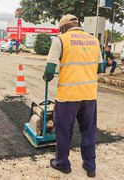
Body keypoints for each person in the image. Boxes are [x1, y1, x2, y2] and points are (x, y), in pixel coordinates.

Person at [43, 14, 103, 178]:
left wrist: (47, 77)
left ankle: (62, 164)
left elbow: (49, 71)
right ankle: (90, 167)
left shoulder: (61, 39)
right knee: (89, 131)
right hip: (89, 95)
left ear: (63, 27)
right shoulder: (94, 40)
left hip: (68, 97)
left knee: (64, 131)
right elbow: (100, 68)